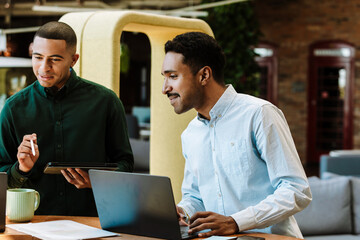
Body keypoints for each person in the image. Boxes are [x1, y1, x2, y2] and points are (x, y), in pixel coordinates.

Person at [161, 32, 312, 238]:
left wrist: (236, 222)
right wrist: (183, 211)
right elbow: (195, 195)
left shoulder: (259, 114)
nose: (165, 88)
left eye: (173, 76)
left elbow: (296, 190)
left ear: (204, 75)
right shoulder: (190, 134)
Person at [0, 21, 134, 216]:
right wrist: (21, 168)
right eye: (38, 57)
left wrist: (96, 181)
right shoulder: (13, 108)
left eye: (54, 59)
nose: (44, 68)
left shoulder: (106, 102)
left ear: (73, 59)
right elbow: (3, 178)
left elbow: (126, 165)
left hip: (93, 222)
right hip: (34, 224)